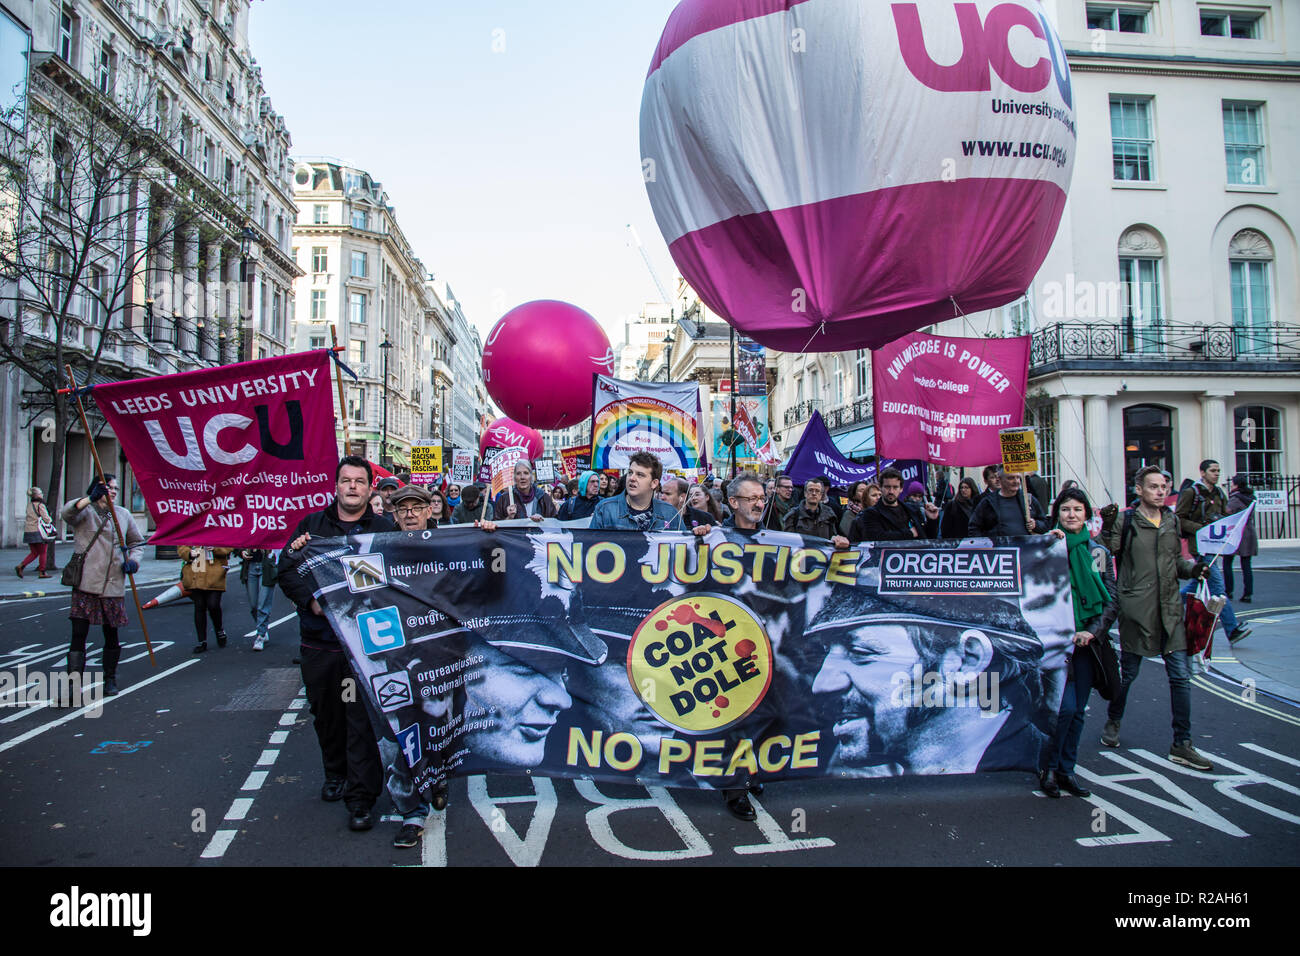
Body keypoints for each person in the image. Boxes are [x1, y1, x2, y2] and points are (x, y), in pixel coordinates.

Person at [279, 456, 397, 832]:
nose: (352, 487)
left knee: (361, 720)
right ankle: (336, 773)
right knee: (327, 714)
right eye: (345, 480)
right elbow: (284, 569)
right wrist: (312, 601)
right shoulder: (312, 527)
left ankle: (361, 798)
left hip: (365, 645)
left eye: (359, 482)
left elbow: (402, 573)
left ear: (368, 489)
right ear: (336, 486)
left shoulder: (383, 528)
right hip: (322, 642)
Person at [807, 607, 1047, 775]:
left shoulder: (1039, 756)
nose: (822, 684)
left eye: (860, 652)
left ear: (966, 660)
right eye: (826, 652)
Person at [1102, 465, 1213, 771]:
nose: (1161, 491)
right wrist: (1107, 527)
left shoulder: (1171, 520)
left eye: (1164, 486)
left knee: (1180, 678)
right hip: (1137, 611)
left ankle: (1182, 743)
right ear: (1139, 490)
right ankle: (1113, 719)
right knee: (1129, 675)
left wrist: (1194, 569)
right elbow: (1104, 550)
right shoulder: (1126, 520)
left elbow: (1176, 561)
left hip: (1170, 611)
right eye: (1153, 487)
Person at [1039, 488, 1118, 798]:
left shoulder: (1099, 553)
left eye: (1078, 509)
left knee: (1079, 710)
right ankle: (1048, 768)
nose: (1072, 514)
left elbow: (1111, 598)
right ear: (1057, 513)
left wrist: (1093, 632)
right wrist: (1046, 545)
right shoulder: (1048, 548)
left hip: (1088, 643)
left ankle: (1067, 771)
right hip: (1057, 642)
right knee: (1064, 708)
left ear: (1087, 514)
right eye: (1066, 509)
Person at [61, 474, 144, 697]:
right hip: (86, 582)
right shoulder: (85, 512)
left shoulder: (123, 515)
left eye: (116, 487)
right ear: (97, 489)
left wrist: (134, 561)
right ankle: (73, 685)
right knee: (78, 633)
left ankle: (110, 678)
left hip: (113, 582)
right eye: (109, 487)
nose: (114, 491)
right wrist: (89, 499)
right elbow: (67, 512)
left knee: (111, 633)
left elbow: (136, 542)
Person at [1174, 459, 1248, 644]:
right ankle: (1232, 630)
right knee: (1217, 588)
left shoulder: (1220, 494)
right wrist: (1201, 528)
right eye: (1213, 470)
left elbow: (1224, 518)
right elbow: (1179, 519)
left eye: (1218, 471)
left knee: (1194, 587)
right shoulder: (1192, 493)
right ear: (1203, 472)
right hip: (1200, 547)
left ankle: (1168, 606)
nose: (1216, 474)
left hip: (1214, 547)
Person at [589, 452, 711, 533]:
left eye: (640, 475)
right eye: (630, 472)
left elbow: (683, 549)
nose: (632, 478)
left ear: (654, 483)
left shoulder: (670, 513)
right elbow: (591, 549)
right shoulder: (605, 509)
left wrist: (695, 536)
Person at [850, 468, 939, 542]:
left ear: (901, 489)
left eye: (895, 487)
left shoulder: (912, 510)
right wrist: (909, 533)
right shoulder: (871, 513)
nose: (891, 491)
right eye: (887, 487)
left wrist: (932, 520)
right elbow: (877, 538)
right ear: (880, 487)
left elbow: (928, 539)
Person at [180, 545, 234, 654]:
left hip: (215, 570)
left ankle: (219, 629)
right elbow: (182, 544)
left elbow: (229, 544)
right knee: (199, 606)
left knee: (213, 605)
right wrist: (189, 553)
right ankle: (202, 641)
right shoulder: (191, 529)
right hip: (196, 569)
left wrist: (216, 548)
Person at [967, 466, 1047, 537]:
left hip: (1026, 550)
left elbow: (1045, 524)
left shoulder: (1028, 499)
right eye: (1011, 478)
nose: (1016, 481)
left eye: (1018, 477)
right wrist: (987, 545)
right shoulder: (987, 502)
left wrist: (1036, 525)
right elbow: (974, 527)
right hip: (999, 551)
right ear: (1000, 479)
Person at [782, 475, 850, 548]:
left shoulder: (829, 514)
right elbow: (788, 542)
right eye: (811, 490)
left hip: (823, 556)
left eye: (817, 491)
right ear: (805, 493)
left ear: (821, 495)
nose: (814, 493)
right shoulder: (793, 515)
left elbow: (833, 536)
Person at [1223, 475, 1257, 604]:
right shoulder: (1251, 498)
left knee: (1227, 561)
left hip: (1236, 532)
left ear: (1237, 485)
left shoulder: (1235, 499)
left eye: (1232, 484)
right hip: (1249, 531)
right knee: (1246, 565)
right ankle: (1248, 593)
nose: (1231, 486)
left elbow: (1227, 513)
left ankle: (1228, 591)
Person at [239, 548, 278, 651]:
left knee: (263, 603)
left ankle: (260, 635)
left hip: (266, 565)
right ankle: (263, 628)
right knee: (254, 605)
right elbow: (238, 540)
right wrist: (241, 551)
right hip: (250, 566)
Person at [494, 461, 559, 521]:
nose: (522, 477)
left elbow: (555, 524)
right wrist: (509, 518)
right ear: (514, 477)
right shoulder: (504, 499)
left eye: (526, 473)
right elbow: (497, 527)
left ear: (531, 477)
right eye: (518, 473)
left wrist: (542, 521)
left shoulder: (543, 497)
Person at [17, 486, 54, 579]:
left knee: (34, 552)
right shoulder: (40, 505)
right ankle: (42, 572)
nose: (42, 494)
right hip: (39, 532)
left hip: (29, 531)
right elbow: (46, 519)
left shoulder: (29, 505)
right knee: (43, 552)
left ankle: (21, 566)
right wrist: (50, 519)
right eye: (41, 493)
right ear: (37, 495)